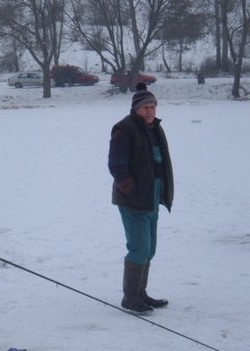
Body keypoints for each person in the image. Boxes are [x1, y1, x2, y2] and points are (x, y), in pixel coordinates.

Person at [108, 82, 174, 314]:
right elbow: (117, 165)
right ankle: (130, 298)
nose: (150, 111)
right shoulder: (124, 129)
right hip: (134, 198)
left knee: (149, 248)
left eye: (153, 107)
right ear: (135, 108)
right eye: (145, 107)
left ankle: (141, 293)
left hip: (152, 196)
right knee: (139, 247)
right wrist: (132, 190)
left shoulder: (155, 128)